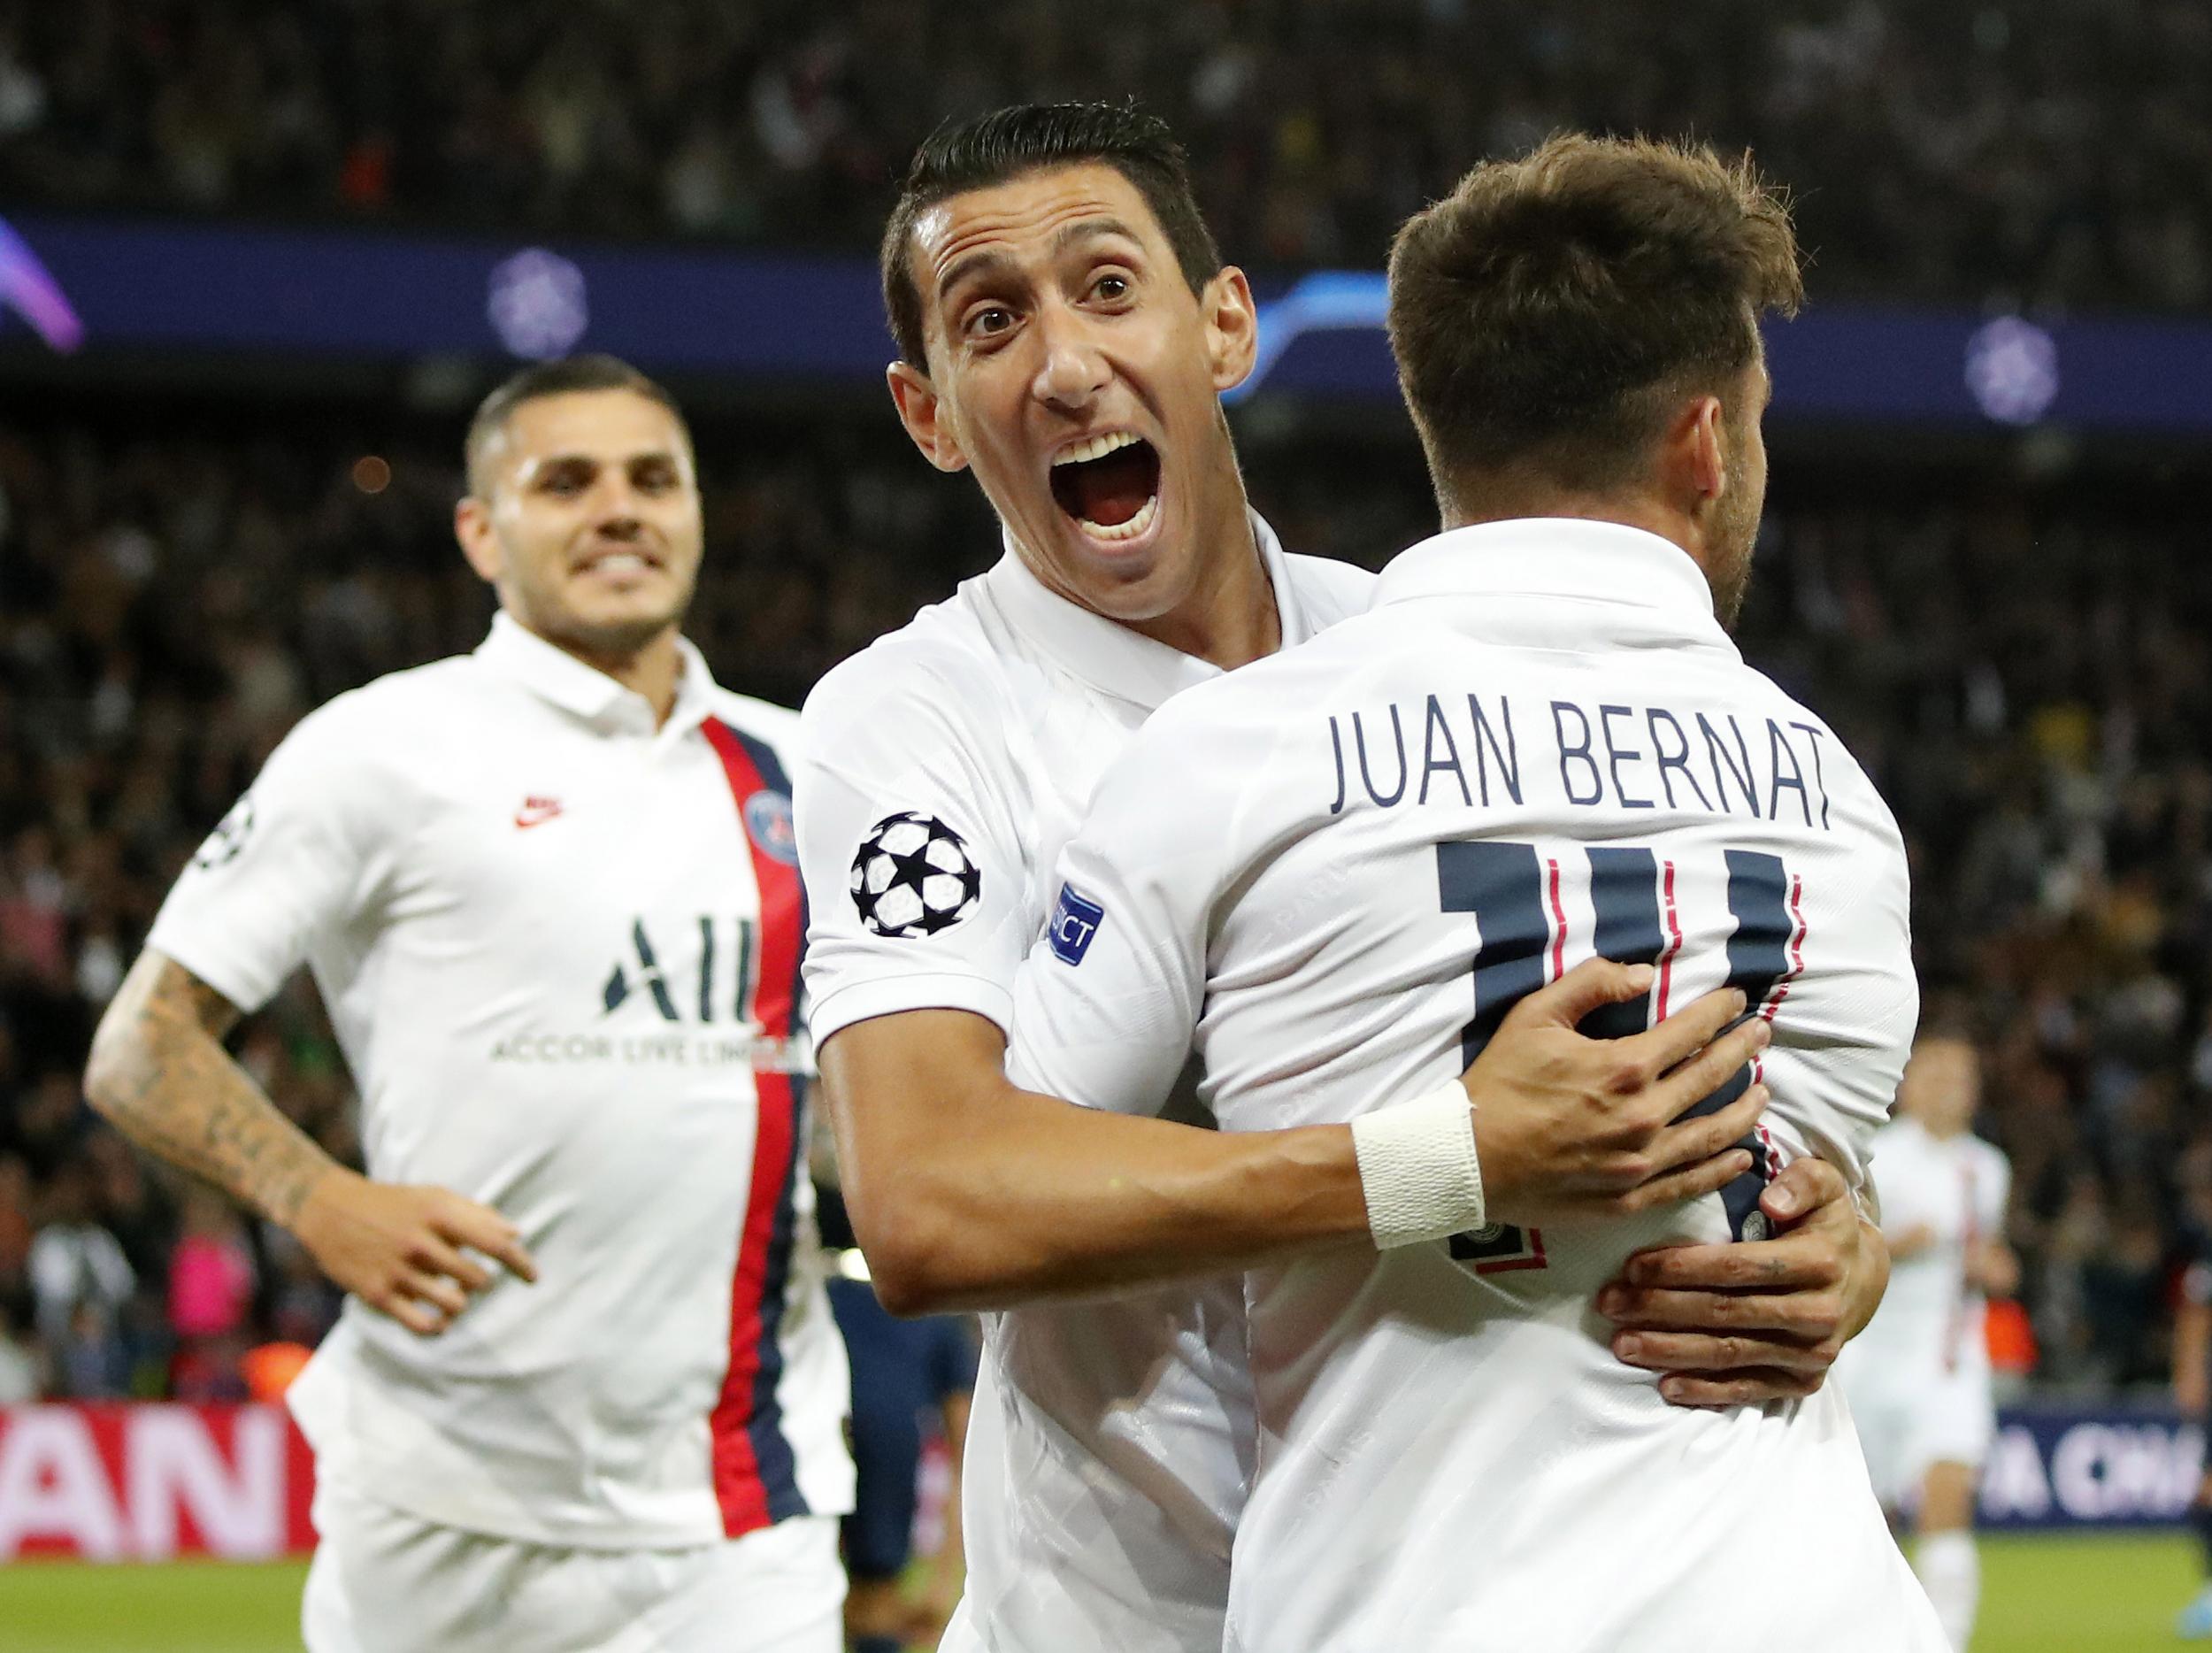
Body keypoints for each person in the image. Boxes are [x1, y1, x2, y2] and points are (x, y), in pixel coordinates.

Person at [795, 104, 1890, 1653]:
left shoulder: (1408, 654)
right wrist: (1443, 1157)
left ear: (1224, 325)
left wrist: (1820, 1234)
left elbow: (1657, 1075)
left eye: (1108, 288)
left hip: (1445, 1589)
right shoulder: (914, 718)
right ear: (927, 411)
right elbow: (924, 1200)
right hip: (1123, 1617)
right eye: (991, 322)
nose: (1060, 364)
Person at [84, 356, 853, 1652]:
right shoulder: (384, 748)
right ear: (480, 534)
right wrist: (318, 1199)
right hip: (443, 1510)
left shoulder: (814, 768)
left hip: (740, 1519)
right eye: (567, 483)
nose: (619, 509)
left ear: (700, 512)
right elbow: (139, 1048)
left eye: (653, 478)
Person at [1837, 1026, 2017, 1650]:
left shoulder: (1988, 1168)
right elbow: (1839, 1251)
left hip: (1948, 1363)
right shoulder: (1875, 1157)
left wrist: (1993, 1266)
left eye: (1961, 1078)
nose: (1949, 1089)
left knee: (1947, 1502)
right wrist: (1895, 1247)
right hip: (1868, 1361)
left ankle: (1949, 1640)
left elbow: (1982, 1253)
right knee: (1865, 1525)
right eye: (1936, 1075)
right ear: (1909, 1083)